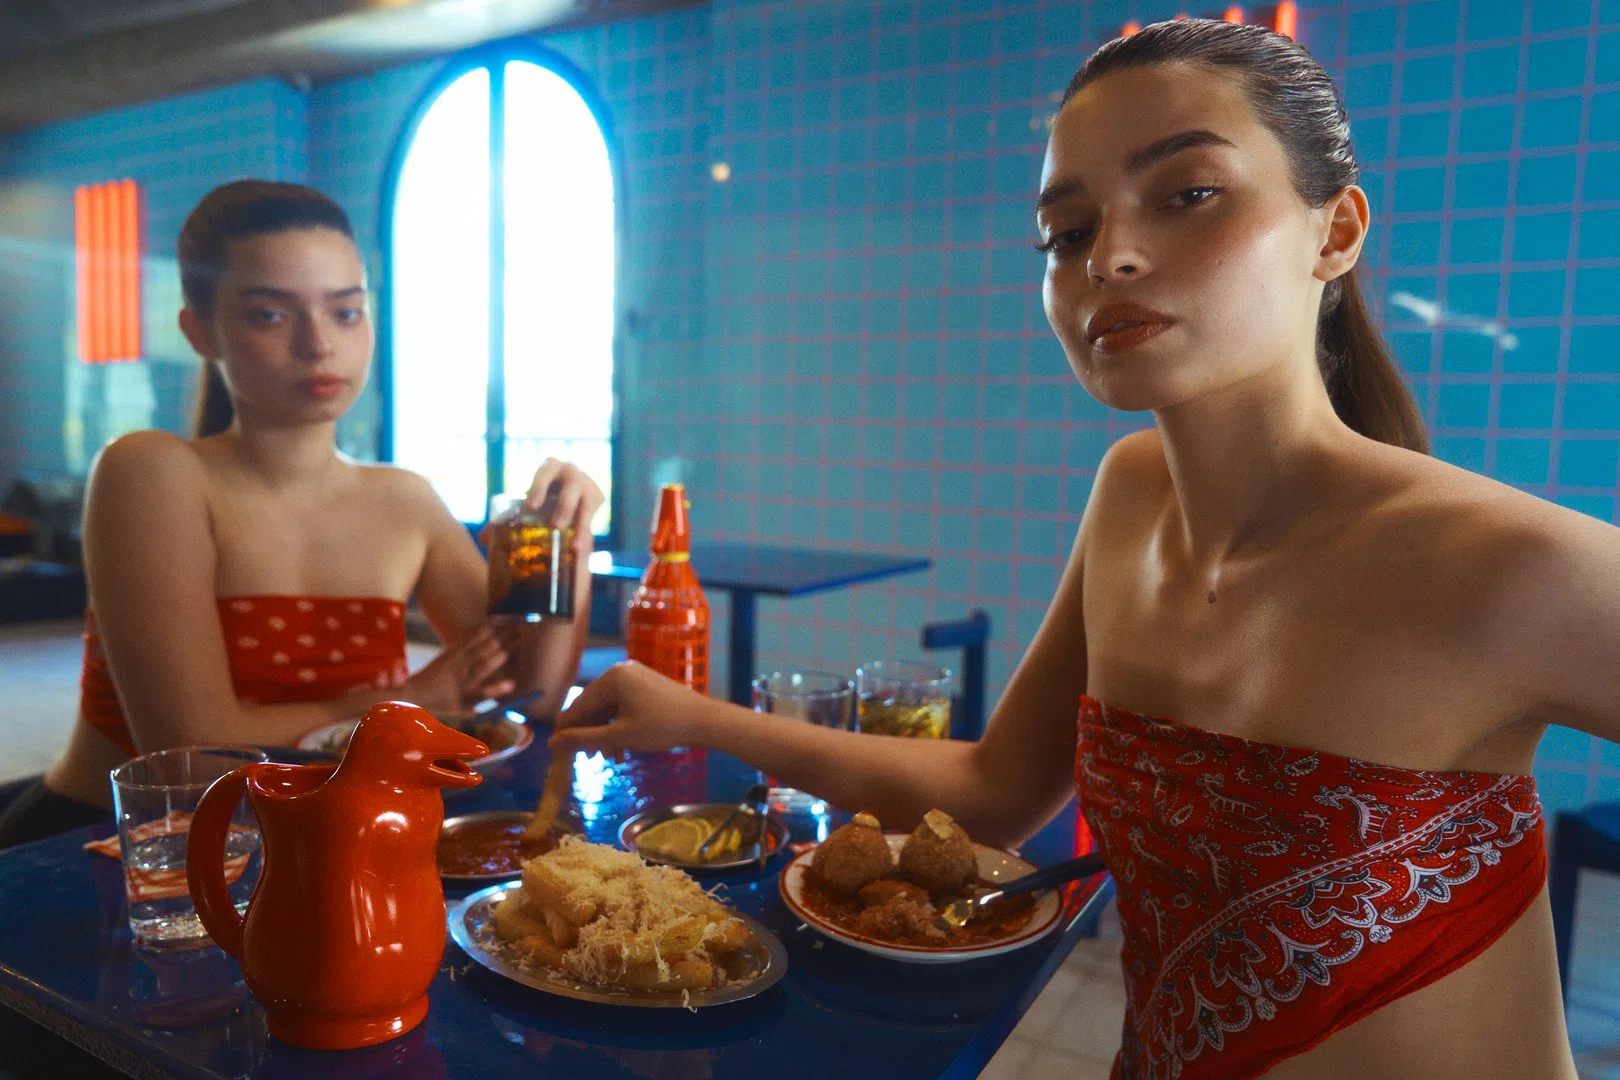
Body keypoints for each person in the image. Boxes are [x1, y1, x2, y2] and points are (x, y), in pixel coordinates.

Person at [550, 19, 1617, 1080]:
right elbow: (996, 792)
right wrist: (697, 716)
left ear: (1334, 231)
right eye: (1066, 233)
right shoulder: (1130, 496)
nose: (1109, 256)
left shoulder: (1493, 563)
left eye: (1189, 192)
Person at [0, 180, 603, 849]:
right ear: (200, 332)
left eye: (345, 312)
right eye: (268, 315)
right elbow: (191, 756)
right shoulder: (152, 471)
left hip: (324, 843)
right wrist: (406, 703)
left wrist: (566, 542)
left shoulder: (405, 500)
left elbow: (530, 691)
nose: (319, 344)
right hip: (118, 850)